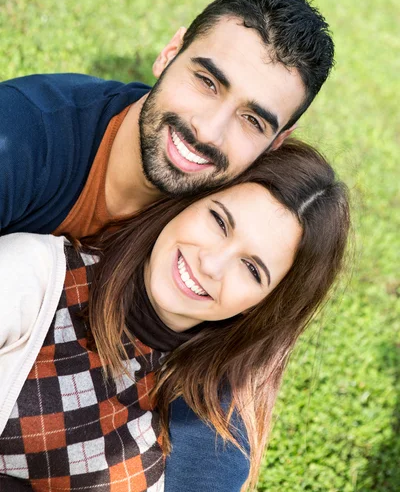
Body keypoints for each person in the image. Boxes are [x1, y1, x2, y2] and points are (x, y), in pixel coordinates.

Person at [0, 140, 350, 492]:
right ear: (189, 201)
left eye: (251, 269)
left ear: (261, 305)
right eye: (218, 221)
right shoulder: (37, 276)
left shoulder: (204, 426)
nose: (211, 264)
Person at [0, 0, 334, 237]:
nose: (209, 130)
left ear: (276, 143)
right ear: (170, 53)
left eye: (252, 120)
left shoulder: (229, 239)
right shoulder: (23, 137)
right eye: (207, 82)